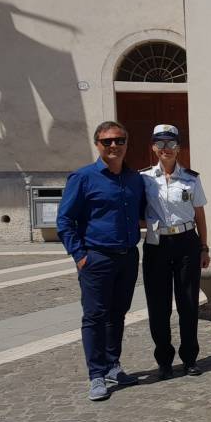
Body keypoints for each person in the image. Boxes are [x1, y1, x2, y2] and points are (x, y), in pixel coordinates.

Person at [57, 121, 145, 401]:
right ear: (97, 145)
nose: (113, 146)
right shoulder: (83, 178)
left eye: (119, 140)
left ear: (126, 144)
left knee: (117, 314)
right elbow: (64, 220)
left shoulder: (134, 179)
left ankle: (112, 365)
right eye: (107, 141)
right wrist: (80, 256)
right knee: (94, 316)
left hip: (128, 257)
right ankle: (96, 374)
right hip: (96, 258)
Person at [140, 124, 210, 380]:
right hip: (156, 245)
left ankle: (190, 358)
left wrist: (204, 246)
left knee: (188, 303)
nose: (165, 149)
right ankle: (164, 361)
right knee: (158, 306)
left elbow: (200, 213)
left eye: (170, 144)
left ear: (178, 148)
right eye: (160, 144)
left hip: (186, 243)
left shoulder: (191, 178)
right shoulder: (144, 178)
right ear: (153, 147)